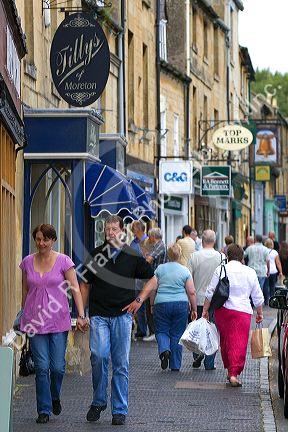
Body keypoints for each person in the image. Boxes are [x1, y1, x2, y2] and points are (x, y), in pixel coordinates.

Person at [80, 215, 154, 426]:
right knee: (99, 356)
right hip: (99, 316)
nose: (111, 233)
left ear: (122, 231)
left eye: (114, 229)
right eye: (107, 229)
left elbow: (153, 278)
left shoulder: (132, 254)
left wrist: (139, 300)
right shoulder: (95, 255)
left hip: (122, 317)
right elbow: (84, 284)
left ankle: (119, 409)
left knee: (121, 364)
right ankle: (99, 400)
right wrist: (82, 314)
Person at [20, 224, 87, 424]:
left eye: (46, 239)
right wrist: (23, 315)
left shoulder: (64, 261)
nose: (41, 243)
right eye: (38, 239)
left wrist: (81, 315)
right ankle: (44, 409)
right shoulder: (27, 262)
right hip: (35, 321)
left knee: (57, 367)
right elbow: (25, 291)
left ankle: (54, 395)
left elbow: (75, 289)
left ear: (53, 241)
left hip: (58, 320)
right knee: (41, 367)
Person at [202, 244, 264, 387]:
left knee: (225, 341)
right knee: (239, 342)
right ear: (242, 257)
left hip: (223, 311)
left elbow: (210, 291)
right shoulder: (250, 272)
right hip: (242, 311)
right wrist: (259, 312)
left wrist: (205, 310)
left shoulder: (221, 269)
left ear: (227, 256)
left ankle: (230, 370)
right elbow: (257, 296)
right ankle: (234, 373)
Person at [141, 243, 197, 371]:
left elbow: (153, 289)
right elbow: (192, 291)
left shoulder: (160, 269)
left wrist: (152, 304)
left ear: (168, 255)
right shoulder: (185, 270)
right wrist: (194, 308)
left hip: (161, 303)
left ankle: (164, 350)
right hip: (180, 304)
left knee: (161, 331)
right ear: (180, 254)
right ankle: (175, 365)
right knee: (177, 334)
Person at [188, 229, 223, 370]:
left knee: (196, 330)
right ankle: (209, 362)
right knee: (212, 331)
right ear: (214, 241)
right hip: (214, 301)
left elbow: (188, 279)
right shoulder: (221, 257)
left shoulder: (194, 256)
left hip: (197, 300)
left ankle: (197, 354)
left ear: (202, 240)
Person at [142, 227, 167, 341]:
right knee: (151, 305)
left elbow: (148, 259)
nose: (149, 238)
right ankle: (155, 331)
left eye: (149, 236)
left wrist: (145, 255)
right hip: (157, 279)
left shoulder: (159, 246)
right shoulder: (160, 245)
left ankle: (154, 332)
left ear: (153, 237)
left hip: (155, 280)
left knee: (151, 305)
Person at [130, 220, 149, 338]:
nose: (132, 232)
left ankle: (152, 331)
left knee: (150, 306)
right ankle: (142, 330)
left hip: (147, 278)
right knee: (139, 304)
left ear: (140, 230)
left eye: (134, 230)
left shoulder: (148, 242)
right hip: (136, 279)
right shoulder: (133, 243)